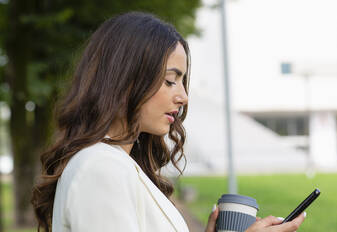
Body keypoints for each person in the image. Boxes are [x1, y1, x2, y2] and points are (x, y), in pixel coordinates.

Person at [31, 12, 305, 232]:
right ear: (124, 79)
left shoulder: (118, 163)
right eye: (170, 81)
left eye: (182, 82)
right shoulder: (101, 168)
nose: (183, 97)